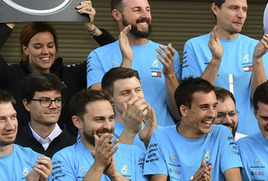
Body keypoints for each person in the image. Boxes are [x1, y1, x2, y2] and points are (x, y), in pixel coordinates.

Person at [0, 2, 116, 130]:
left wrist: (91, 27)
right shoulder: (11, 75)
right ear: (26, 49)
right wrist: (9, 21)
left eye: (50, 46)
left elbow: (113, 54)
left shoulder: (72, 74)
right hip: (22, 147)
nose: (46, 51)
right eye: (38, 47)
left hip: (68, 147)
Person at [182, 0, 268, 137]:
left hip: (251, 137)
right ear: (215, 8)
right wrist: (215, 60)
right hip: (209, 136)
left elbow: (261, 100)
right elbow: (193, 98)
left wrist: (258, 59)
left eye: (244, 9)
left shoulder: (256, 46)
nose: (241, 15)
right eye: (234, 8)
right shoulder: (194, 45)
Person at [88, 0, 181, 127]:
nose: (145, 15)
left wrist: (170, 75)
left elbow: (180, 113)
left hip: (162, 141)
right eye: (137, 10)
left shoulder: (167, 54)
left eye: (147, 10)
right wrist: (127, 61)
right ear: (117, 15)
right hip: (119, 141)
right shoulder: (98, 55)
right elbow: (98, 105)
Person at [16, 73, 76, 158]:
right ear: (27, 104)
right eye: (45, 100)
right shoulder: (15, 145)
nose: (54, 106)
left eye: (58, 100)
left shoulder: (75, 144)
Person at [100, 67, 156, 151]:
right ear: (110, 98)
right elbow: (110, 163)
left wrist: (149, 142)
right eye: (125, 93)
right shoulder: (102, 134)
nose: (135, 97)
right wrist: (130, 131)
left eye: (138, 90)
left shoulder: (159, 131)